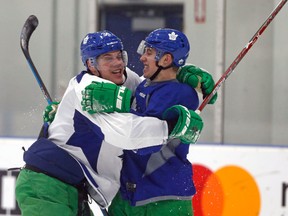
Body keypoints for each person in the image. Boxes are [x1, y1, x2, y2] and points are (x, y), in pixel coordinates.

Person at [15, 30, 214, 216]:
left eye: (119, 56)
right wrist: (172, 126)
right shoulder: (89, 91)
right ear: (91, 64)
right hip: (46, 186)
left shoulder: (122, 80)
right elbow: (129, 135)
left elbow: (151, 84)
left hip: (73, 188)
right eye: (107, 58)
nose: (118, 63)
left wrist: (180, 72)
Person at [81, 28, 212, 215]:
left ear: (166, 60)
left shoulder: (180, 93)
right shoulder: (145, 84)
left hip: (165, 198)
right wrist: (69, 111)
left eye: (149, 52)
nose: (142, 57)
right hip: (130, 193)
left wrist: (117, 103)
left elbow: (144, 141)